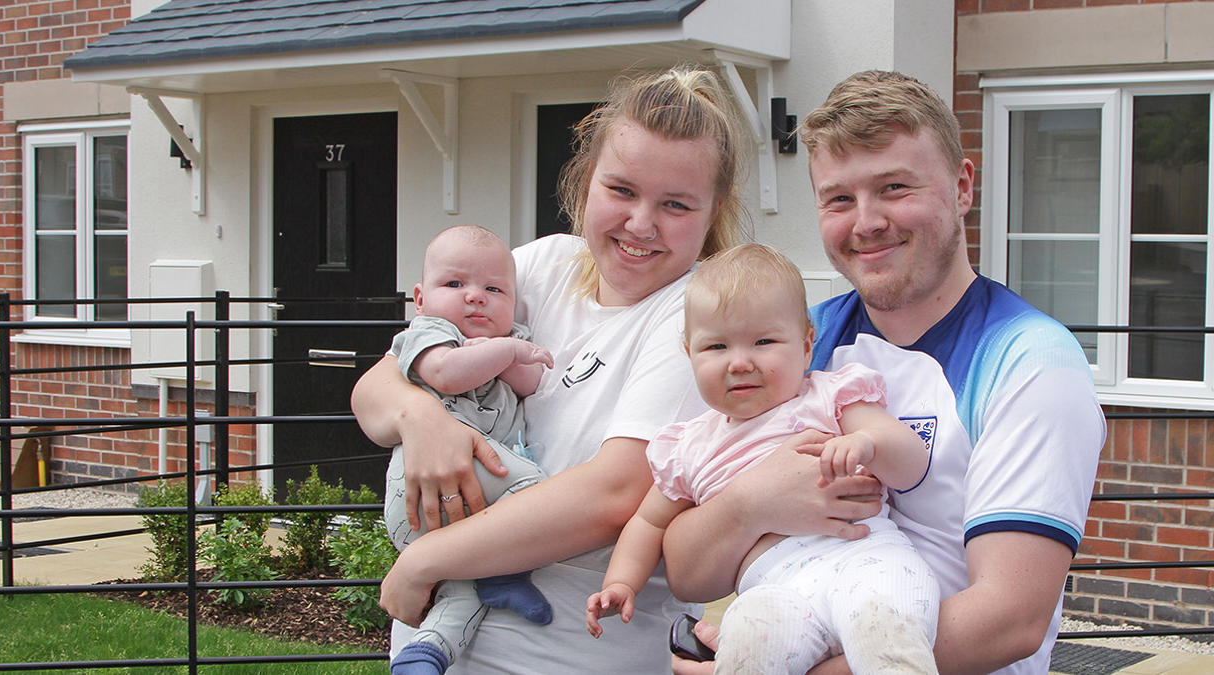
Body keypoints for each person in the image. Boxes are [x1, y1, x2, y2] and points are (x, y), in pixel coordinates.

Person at [662, 70, 1106, 675]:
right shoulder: (792, 342)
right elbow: (687, 567)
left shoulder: (1030, 361)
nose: (865, 222)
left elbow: (1011, 619)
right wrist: (749, 506)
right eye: (839, 198)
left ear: (962, 186)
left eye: (894, 187)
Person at [350, 65, 750, 672]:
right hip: (432, 652)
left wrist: (426, 561)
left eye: (675, 204)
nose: (641, 223)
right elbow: (379, 385)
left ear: (713, 209)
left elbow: (614, 494)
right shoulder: (540, 267)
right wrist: (419, 415)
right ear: (588, 180)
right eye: (621, 190)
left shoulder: (706, 315)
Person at [585, 244, 938, 674]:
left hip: (863, 560)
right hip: (774, 590)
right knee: (750, 634)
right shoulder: (689, 447)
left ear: (807, 345)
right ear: (689, 353)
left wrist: (868, 444)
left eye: (764, 342)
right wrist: (621, 581)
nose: (739, 362)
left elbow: (912, 462)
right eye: (715, 346)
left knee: (887, 625)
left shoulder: (828, 397)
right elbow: (649, 522)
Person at [381, 225, 556, 674]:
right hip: (423, 486)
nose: (475, 297)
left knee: (459, 590)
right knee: (538, 493)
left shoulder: (503, 340)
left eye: (493, 289)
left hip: (465, 506)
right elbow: (446, 374)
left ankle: (425, 655)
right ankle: (504, 571)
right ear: (420, 299)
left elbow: (531, 383)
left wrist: (508, 351)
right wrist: (507, 348)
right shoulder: (429, 333)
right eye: (455, 284)